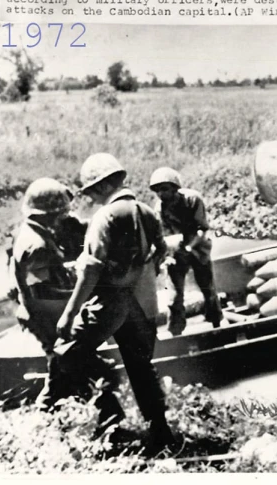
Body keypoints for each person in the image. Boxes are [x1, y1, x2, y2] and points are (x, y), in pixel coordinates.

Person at [53, 153, 176, 453]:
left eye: (92, 189)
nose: (91, 196)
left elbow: (92, 269)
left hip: (110, 301)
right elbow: (159, 252)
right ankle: (160, 432)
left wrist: (69, 315)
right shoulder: (147, 211)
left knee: (66, 351)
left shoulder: (104, 217)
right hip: (141, 301)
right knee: (140, 366)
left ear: (101, 186)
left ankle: (110, 414)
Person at [8, 178, 124, 429]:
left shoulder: (31, 234)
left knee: (60, 374)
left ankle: (47, 423)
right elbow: (43, 293)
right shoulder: (37, 246)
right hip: (49, 319)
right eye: (60, 213)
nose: (63, 219)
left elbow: (37, 284)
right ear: (50, 214)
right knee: (92, 370)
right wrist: (80, 289)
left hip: (44, 316)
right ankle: (111, 426)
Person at [149, 167, 224, 336]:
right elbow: (164, 237)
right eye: (158, 190)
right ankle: (175, 331)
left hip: (199, 247)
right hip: (177, 250)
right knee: (174, 296)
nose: (161, 194)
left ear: (175, 188)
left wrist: (191, 246)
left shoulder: (192, 199)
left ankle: (216, 323)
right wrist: (168, 256)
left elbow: (202, 228)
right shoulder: (159, 209)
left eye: (165, 189)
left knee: (208, 289)